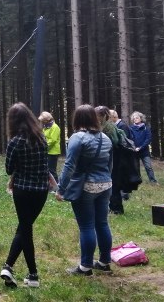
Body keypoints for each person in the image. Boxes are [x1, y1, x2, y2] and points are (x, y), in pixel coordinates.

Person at [56, 104, 114, 276]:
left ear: (77, 119)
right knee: (102, 223)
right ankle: (104, 262)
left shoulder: (77, 138)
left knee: (87, 226)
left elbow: (69, 166)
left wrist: (61, 188)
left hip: (86, 186)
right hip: (106, 185)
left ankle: (85, 267)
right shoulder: (106, 138)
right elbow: (109, 164)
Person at [0, 103, 51, 288]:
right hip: (40, 192)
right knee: (25, 227)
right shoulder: (41, 138)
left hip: (22, 190)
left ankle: (33, 274)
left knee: (25, 229)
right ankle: (10, 267)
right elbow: (45, 166)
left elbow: (8, 169)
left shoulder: (15, 142)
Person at [130, 112, 157, 184]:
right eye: (134, 118)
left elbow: (148, 139)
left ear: (141, 119)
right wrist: (134, 147)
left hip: (144, 151)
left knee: (148, 167)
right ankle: (138, 181)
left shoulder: (146, 128)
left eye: (137, 118)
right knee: (136, 167)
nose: (135, 119)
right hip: (134, 151)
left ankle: (153, 181)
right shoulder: (131, 128)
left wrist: (141, 147)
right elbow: (130, 139)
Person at [38, 111, 61, 181]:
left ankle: (56, 186)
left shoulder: (55, 127)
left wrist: (44, 145)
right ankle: (50, 185)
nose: (42, 122)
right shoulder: (46, 127)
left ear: (46, 120)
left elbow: (52, 140)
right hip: (47, 151)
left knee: (52, 170)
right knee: (47, 169)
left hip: (53, 152)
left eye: (43, 121)